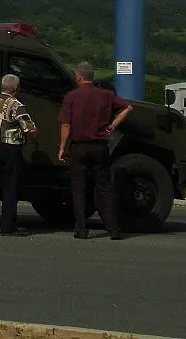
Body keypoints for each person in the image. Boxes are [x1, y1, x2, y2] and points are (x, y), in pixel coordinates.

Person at [57, 61, 132, 240]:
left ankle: (81, 229)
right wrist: (112, 126)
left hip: (79, 147)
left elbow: (66, 124)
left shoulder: (71, 96)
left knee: (79, 189)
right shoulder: (106, 94)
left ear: (79, 77)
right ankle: (113, 229)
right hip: (100, 146)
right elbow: (128, 107)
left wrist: (61, 147)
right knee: (105, 187)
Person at [0, 73, 37, 236]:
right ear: (16, 88)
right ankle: (7, 226)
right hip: (10, 148)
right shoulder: (16, 105)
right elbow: (29, 127)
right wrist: (33, 138)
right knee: (10, 186)